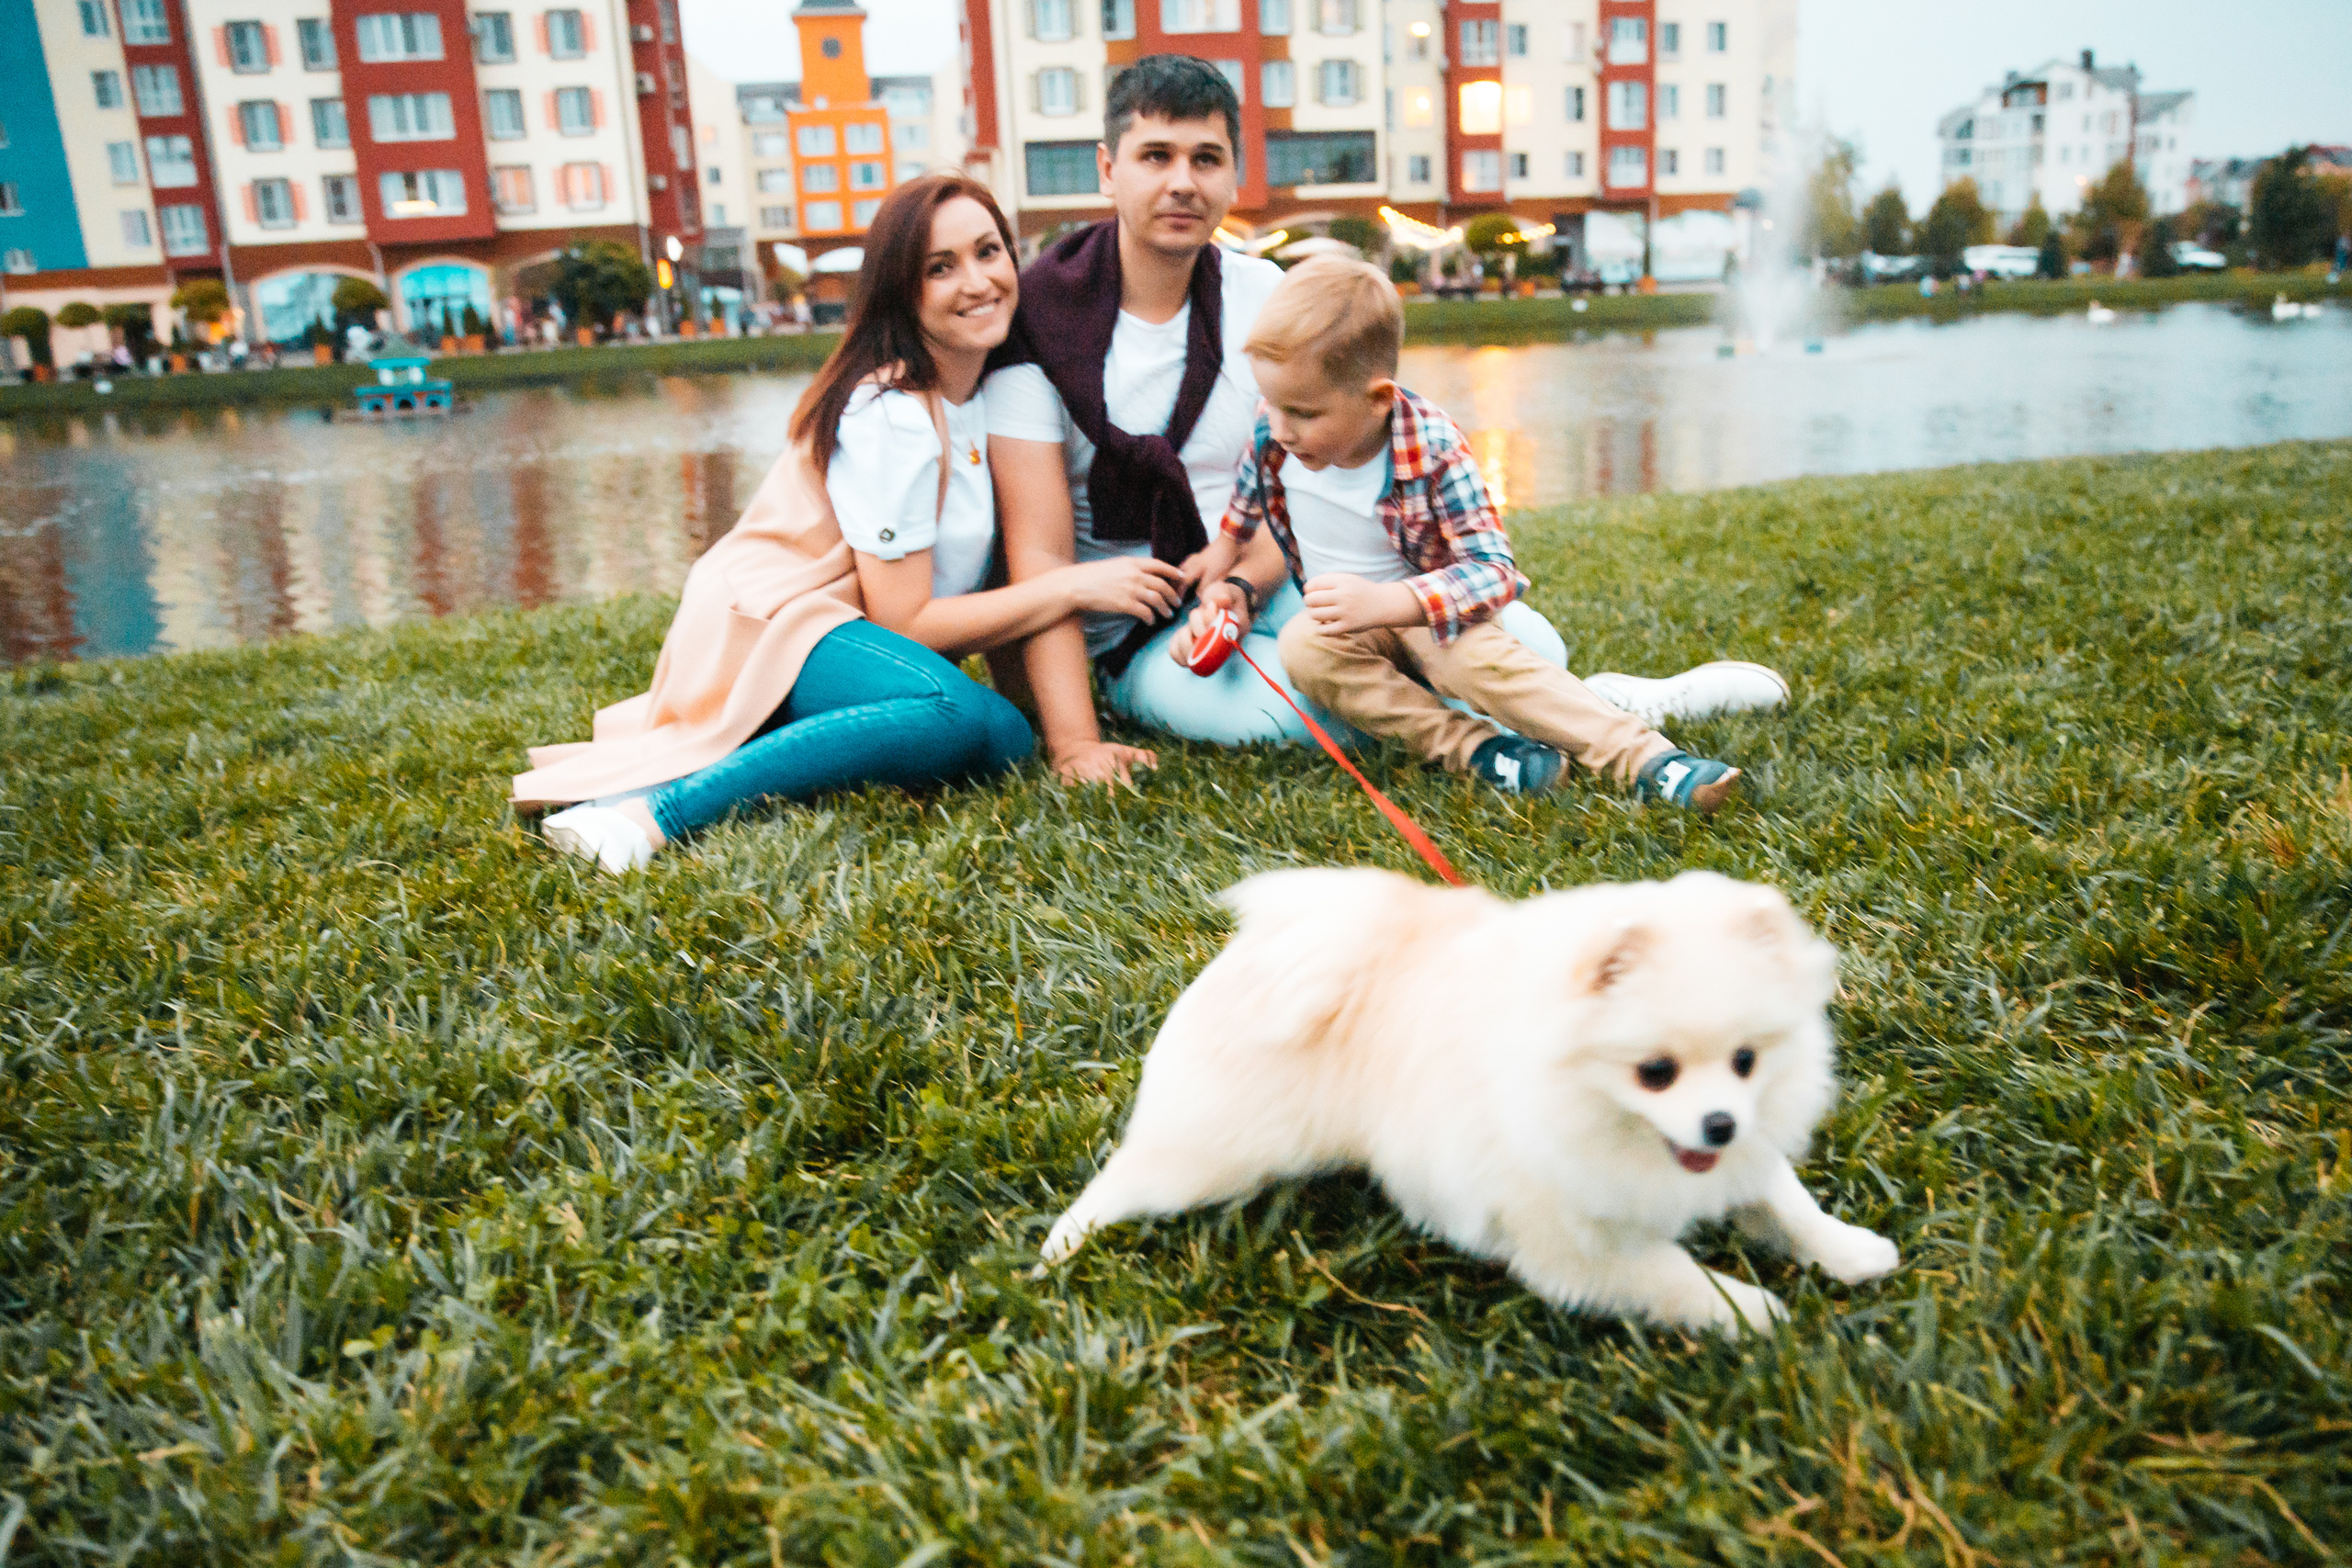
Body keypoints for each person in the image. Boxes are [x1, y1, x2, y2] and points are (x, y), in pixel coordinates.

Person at [989, 54, 1781, 760]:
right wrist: (1074, 744)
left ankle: (1596, 698)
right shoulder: (1040, 326)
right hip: (1150, 626)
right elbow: (1041, 559)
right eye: (1154, 156)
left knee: (1529, 638)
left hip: (1278, 579)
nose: (1182, 182)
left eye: (1206, 157)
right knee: (1302, 719)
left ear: (1234, 175)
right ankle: (1561, 715)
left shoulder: (1267, 297)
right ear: (1107, 168)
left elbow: (1285, 490)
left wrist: (1243, 585)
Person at [512, 175, 1188, 872]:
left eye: (989, 252)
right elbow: (907, 622)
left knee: (1005, 737)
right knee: (957, 715)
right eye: (940, 267)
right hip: (774, 622)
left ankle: (757, 751)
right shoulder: (890, 411)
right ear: (901, 291)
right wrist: (1077, 586)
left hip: (840, 631)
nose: (978, 281)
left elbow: (1003, 585)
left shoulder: (988, 396)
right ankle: (650, 815)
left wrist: (1066, 738)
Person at [1178, 257, 1744, 811]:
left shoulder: (1434, 447)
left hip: (1425, 612)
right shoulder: (1275, 425)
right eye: (1270, 404)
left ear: (1377, 399)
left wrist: (1389, 601)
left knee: (1474, 663)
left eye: (1301, 412)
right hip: (1345, 628)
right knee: (1303, 650)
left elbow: (1493, 570)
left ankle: (1646, 759)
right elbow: (1249, 491)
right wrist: (1224, 551)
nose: (1279, 428)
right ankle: (1479, 752)